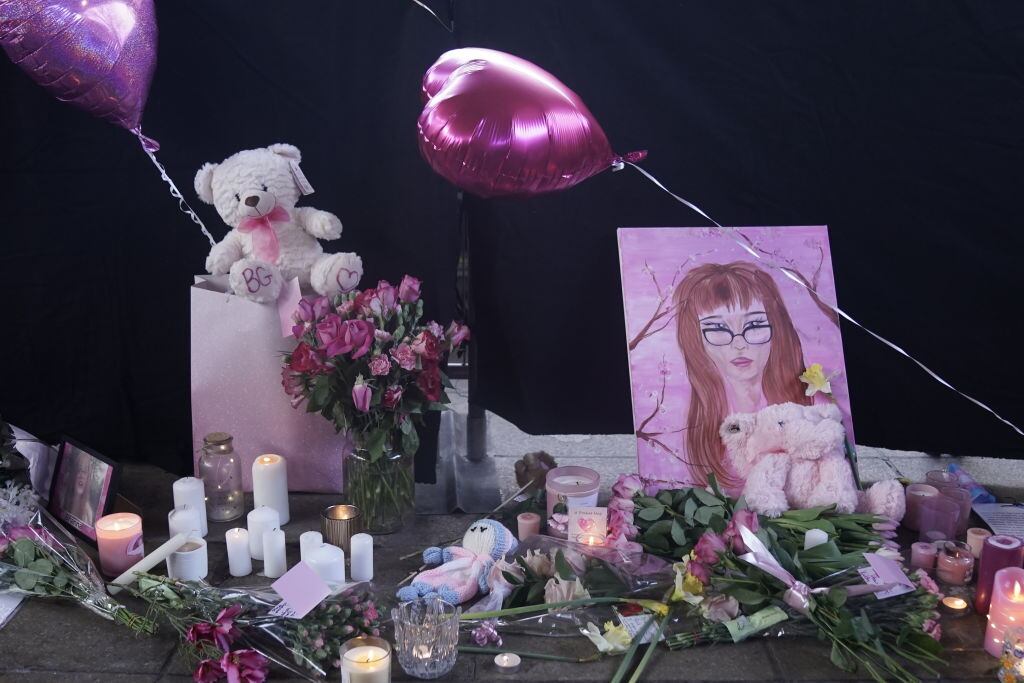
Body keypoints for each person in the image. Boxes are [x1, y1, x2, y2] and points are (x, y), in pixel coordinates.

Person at [673, 261, 810, 490]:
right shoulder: (694, 422)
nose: (739, 343)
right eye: (717, 329)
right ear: (696, 339)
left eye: (755, 324)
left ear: (776, 327)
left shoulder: (805, 404)